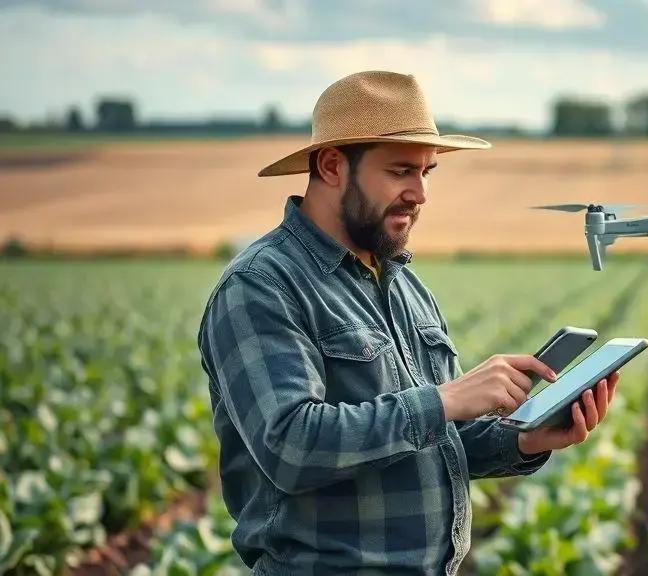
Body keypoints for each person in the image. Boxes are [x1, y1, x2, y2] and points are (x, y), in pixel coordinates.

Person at [197, 70, 620, 575]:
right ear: (332, 167)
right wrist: (445, 400)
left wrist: (524, 439)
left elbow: (433, 443)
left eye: (427, 172)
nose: (420, 193)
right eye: (401, 171)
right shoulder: (262, 286)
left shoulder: (403, 286)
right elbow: (291, 445)